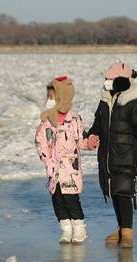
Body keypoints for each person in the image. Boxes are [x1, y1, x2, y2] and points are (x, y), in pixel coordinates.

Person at [87, 62, 137, 248]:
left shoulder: (133, 100)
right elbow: (97, 124)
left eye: (108, 79)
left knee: (124, 191)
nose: (105, 82)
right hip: (107, 154)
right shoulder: (105, 100)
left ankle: (127, 232)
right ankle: (120, 227)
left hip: (126, 154)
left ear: (120, 81)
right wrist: (92, 135)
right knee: (114, 191)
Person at [35, 76, 97, 244]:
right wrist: (47, 160)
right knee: (58, 200)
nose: (50, 101)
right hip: (53, 169)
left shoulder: (74, 120)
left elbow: (81, 140)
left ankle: (79, 229)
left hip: (70, 169)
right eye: (48, 98)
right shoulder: (46, 121)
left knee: (71, 199)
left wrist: (89, 143)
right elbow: (40, 141)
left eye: (53, 98)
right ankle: (66, 229)